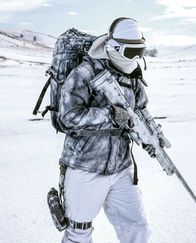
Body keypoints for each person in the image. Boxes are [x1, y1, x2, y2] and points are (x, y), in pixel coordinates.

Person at [58, 17, 156, 243]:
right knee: (78, 233)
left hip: (122, 167)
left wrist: (152, 136)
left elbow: (140, 111)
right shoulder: (85, 72)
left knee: (138, 230)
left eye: (140, 51)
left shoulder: (133, 77)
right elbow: (68, 117)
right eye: (131, 52)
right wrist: (109, 115)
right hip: (85, 166)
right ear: (116, 47)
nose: (136, 58)